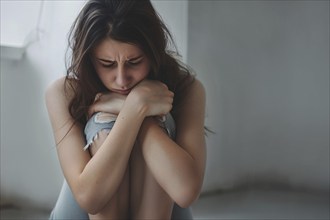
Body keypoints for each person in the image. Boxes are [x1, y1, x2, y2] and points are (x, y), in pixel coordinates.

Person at [45, 0, 206, 219]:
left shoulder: (188, 89)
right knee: (103, 124)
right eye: (107, 64)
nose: (122, 80)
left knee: (162, 120)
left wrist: (138, 110)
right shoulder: (64, 93)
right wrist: (132, 111)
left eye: (134, 61)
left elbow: (185, 191)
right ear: (90, 58)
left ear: (152, 52)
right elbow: (89, 198)